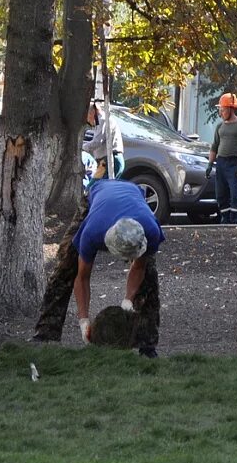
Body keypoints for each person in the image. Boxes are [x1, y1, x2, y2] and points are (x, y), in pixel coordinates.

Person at [29, 179, 166, 357]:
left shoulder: (151, 231)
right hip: (96, 198)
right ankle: (46, 333)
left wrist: (128, 301)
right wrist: (83, 320)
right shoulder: (92, 233)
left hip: (131, 195)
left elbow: (138, 268)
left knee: (149, 276)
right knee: (66, 266)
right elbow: (82, 277)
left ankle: (146, 344)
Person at [206, 93, 237, 224]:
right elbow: (214, 146)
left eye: (223, 109)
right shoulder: (219, 127)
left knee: (235, 194)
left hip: (234, 163)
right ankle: (225, 219)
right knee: (221, 194)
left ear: (231, 109)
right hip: (221, 163)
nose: (220, 113)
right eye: (220, 109)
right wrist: (210, 164)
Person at [84, 101, 125, 178]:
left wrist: (82, 148)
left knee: (94, 186)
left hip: (109, 161)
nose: (88, 120)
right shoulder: (101, 121)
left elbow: (97, 142)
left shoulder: (103, 120)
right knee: (104, 187)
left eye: (88, 116)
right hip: (107, 161)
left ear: (92, 112)